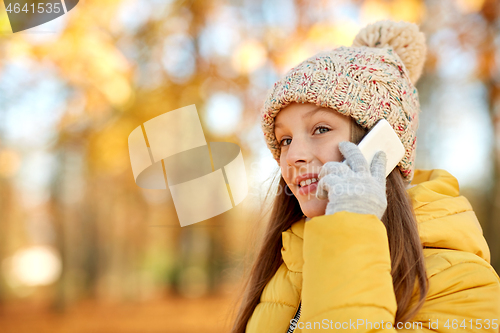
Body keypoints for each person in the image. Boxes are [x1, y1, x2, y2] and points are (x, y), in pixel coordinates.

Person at [230, 20, 500, 332]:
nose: (292, 156)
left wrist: (352, 231)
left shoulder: (463, 282)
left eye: (320, 129)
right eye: (285, 140)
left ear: (381, 145)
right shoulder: (287, 269)